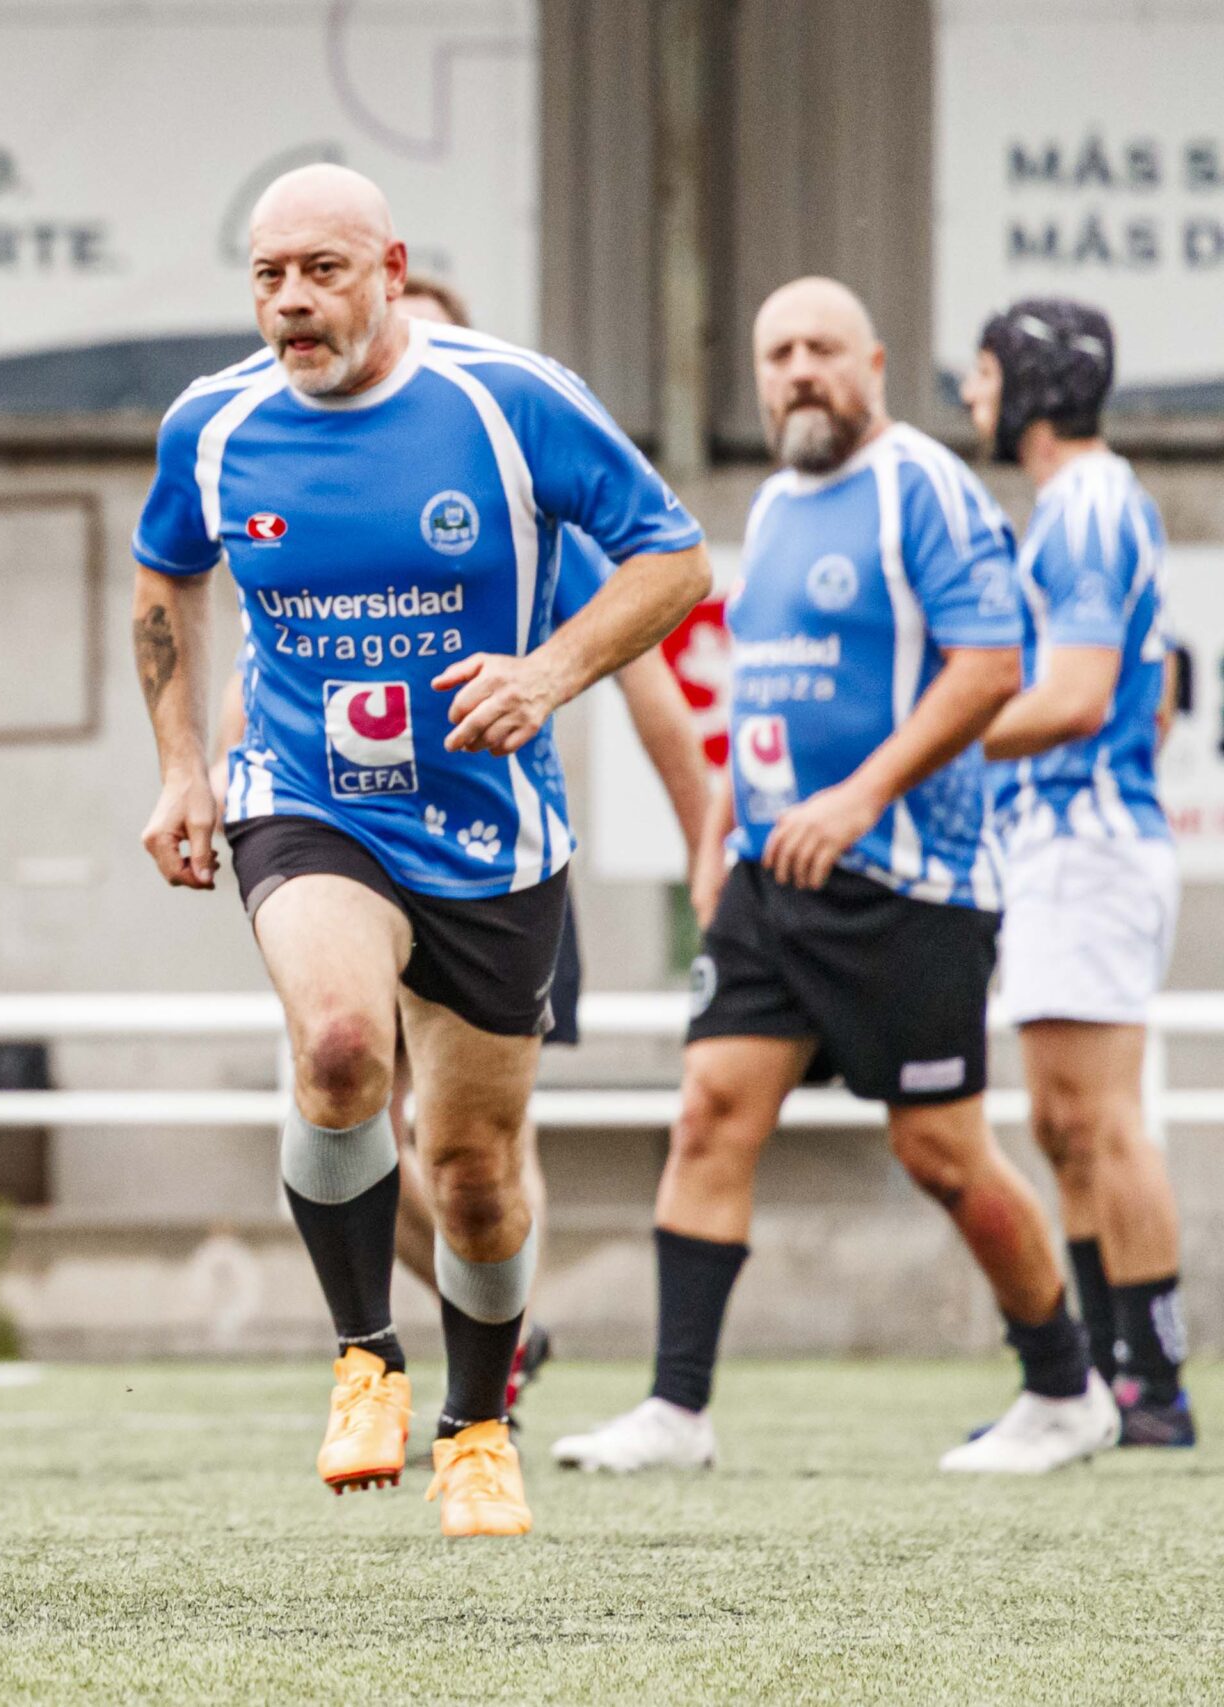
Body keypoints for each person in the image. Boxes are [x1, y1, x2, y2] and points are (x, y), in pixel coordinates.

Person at [134, 165, 709, 1536]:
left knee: (473, 1172)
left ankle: (479, 1423)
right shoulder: (213, 424)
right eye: (268, 276)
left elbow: (674, 561)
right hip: (308, 798)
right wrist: (182, 766)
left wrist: (546, 674)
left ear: (389, 269)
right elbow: (167, 575)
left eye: (321, 271)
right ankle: (363, 1358)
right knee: (339, 1046)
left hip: (487, 833)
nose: (291, 302)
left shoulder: (510, 402)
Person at [552, 278, 1115, 1477]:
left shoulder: (925, 487)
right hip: (769, 880)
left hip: (910, 884)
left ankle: (1066, 1390)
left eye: (821, 348)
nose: (798, 370)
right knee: (709, 1113)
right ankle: (676, 1411)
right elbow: (761, 687)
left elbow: (989, 669)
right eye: (776, 353)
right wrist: (719, 827)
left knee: (940, 1155)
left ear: (872, 363)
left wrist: (860, 794)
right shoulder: (770, 503)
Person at [965, 298, 1193, 1446]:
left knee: (1098, 1119)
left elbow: (1082, 696)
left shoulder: (1088, 505)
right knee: (1063, 1123)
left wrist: (923, 746)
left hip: (1087, 849)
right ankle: (1107, 1375)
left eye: (983, 372)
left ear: (1033, 384)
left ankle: (1152, 1384)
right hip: (1068, 847)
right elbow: (1152, 693)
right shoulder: (1078, 506)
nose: (971, 395)